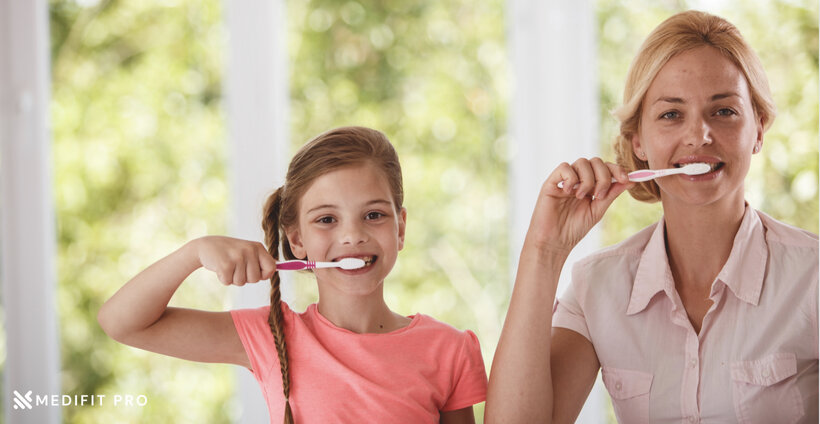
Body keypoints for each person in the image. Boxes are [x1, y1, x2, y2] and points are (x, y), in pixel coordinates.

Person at [485, 10, 818, 424]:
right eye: (671, 115)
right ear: (638, 140)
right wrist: (544, 251)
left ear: (759, 129)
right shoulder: (598, 288)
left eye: (724, 111)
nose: (699, 135)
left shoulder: (812, 275)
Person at [98, 126, 488, 423]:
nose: (352, 235)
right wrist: (193, 253)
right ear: (297, 241)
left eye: (374, 215)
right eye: (327, 220)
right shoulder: (272, 336)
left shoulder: (448, 350)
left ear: (400, 228)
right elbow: (122, 323)